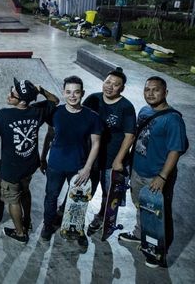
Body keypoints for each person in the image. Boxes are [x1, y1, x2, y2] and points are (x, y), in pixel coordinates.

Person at [118, 76, 188, 268]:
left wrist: (162, 177)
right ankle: (140, 235)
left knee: (159, 214)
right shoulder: (144, 111)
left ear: (165, 92)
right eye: (147, 89)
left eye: (155, 90)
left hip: (156, 176)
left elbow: (175, 151)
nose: (150, 93)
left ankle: (159, 252)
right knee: (141, 206)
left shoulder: (172, 119)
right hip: (138, 170)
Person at [0, 78, 59, 243]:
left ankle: (20, 233)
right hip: (29, 165)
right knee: (25, 191)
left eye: (13, 93)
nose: (9, 94)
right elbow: (55, 100)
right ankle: (27, 220)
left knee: (13, 199)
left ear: (22, 100)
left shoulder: (4, 115)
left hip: (11, 168)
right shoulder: (38, 111)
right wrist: (40, 89)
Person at [40, 75, 102, 247]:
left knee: (78, 201)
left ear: (83, 93)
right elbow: (50, 135)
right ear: (63, 92)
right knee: (51, 197)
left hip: (78, 166)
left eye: (76, 92)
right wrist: (43, 156)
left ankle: (77, 228)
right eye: (68, 92)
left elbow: (96, 143)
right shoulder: (56, 112)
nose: (72, 96)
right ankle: (47, 224)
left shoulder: (92, 117)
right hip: (55, 165)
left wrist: (88, 168)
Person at [83, 67, 136, 234]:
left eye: (115, 84)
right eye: (108, 82)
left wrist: (119, 160)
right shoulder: (93, 99)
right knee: (83, 189)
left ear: (122, 88)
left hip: (111, 160)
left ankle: (100, 216)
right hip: (91, 158)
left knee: (108, 193)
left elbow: (129, 136)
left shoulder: (126, 107)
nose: (110, 86)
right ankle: (73, 213)